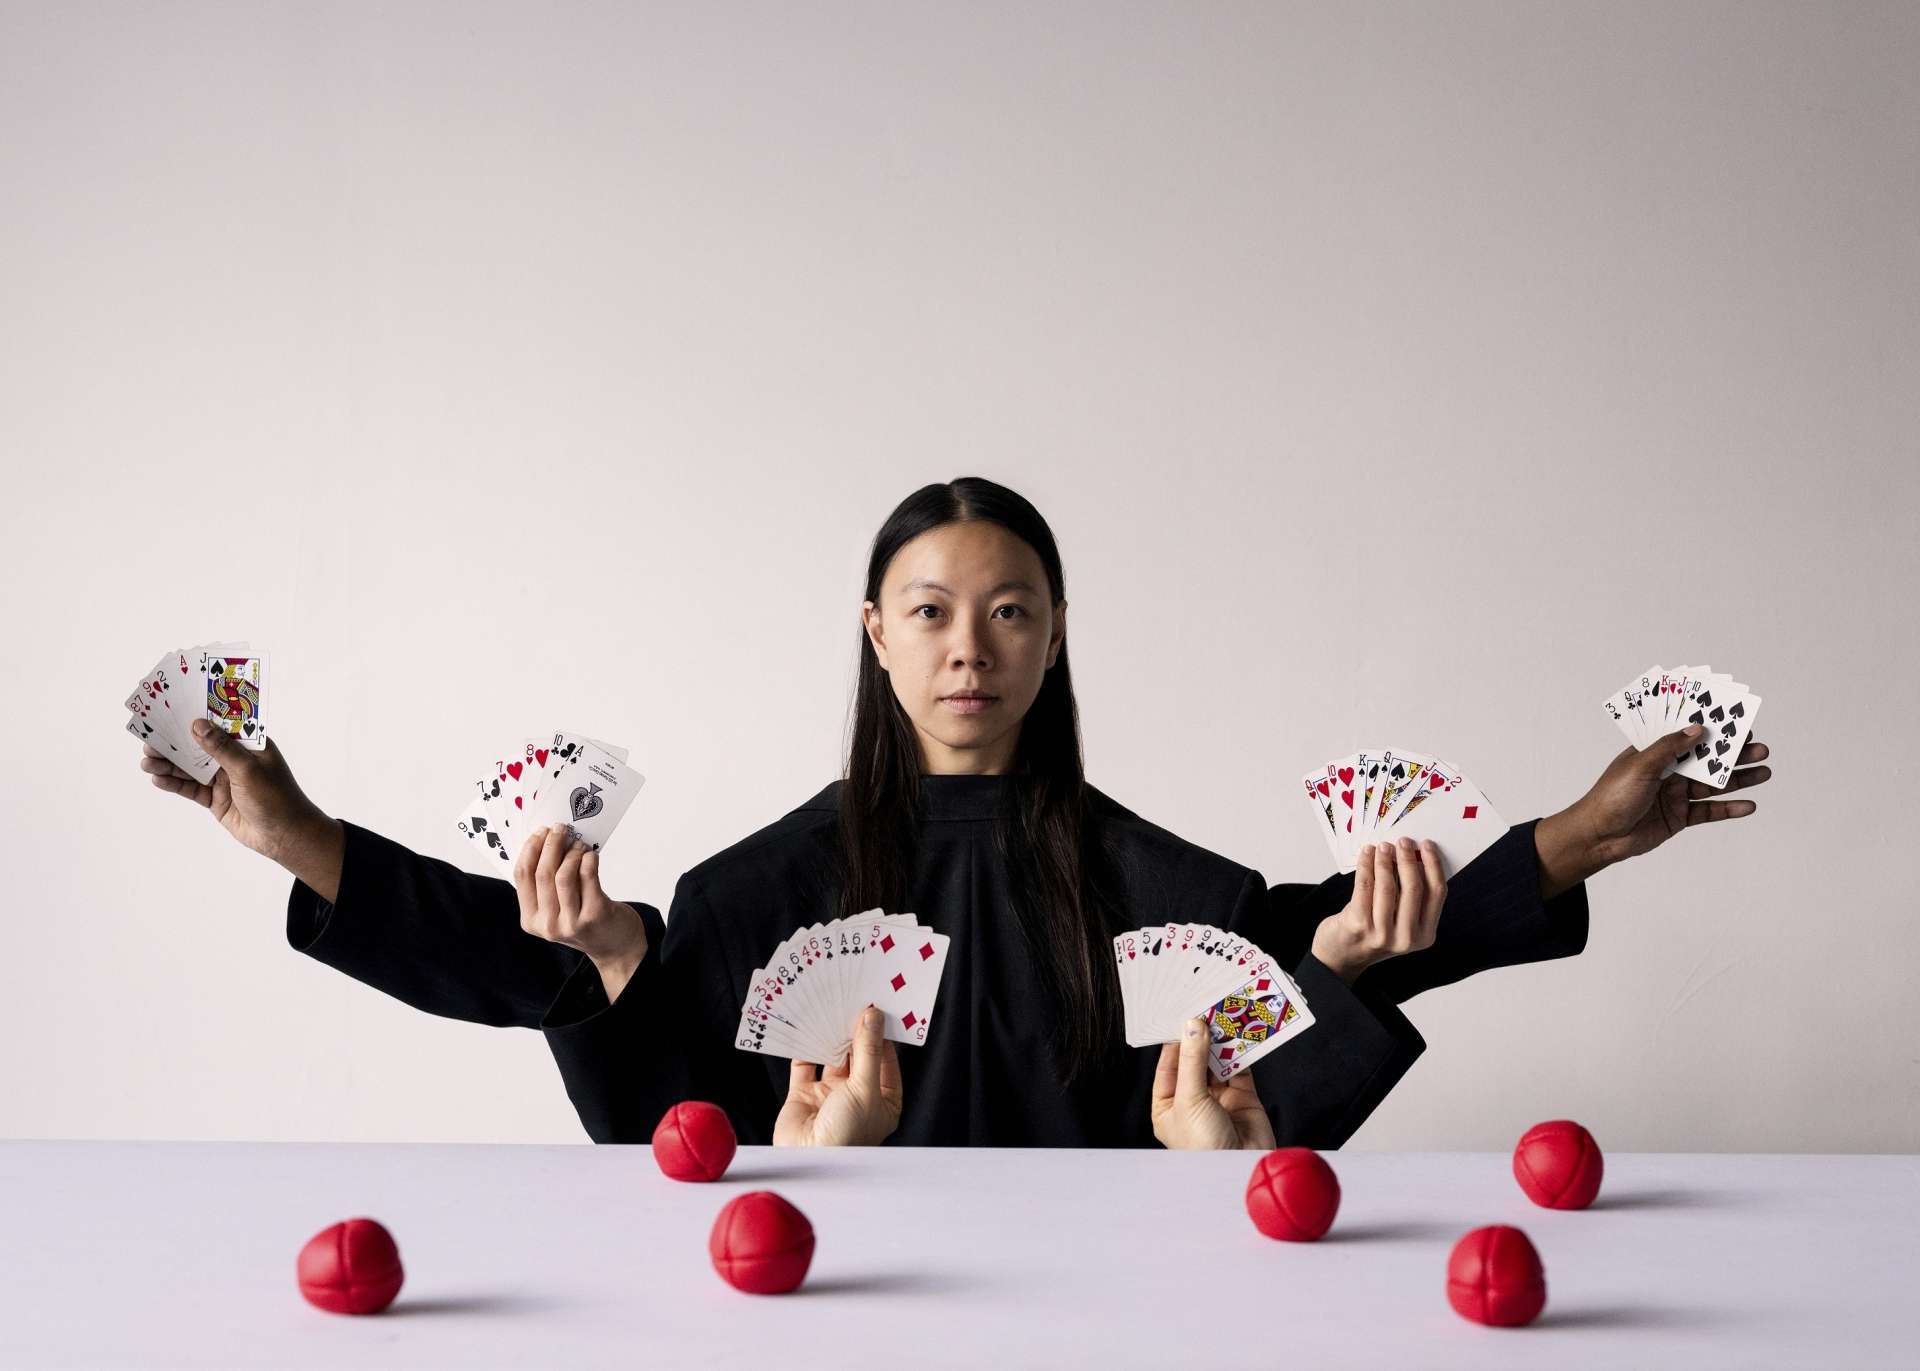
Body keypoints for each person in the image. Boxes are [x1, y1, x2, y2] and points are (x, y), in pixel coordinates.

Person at [139, 477, 1770, 1148]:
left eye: (1008, 611)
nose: (968, 647)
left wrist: (1577, 829)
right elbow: (532, 964)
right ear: (874, 633)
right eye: (928, 610)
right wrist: (298, 831)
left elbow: (1330, 962)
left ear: (1054, 636)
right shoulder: (766, 885)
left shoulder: (1154, 879)